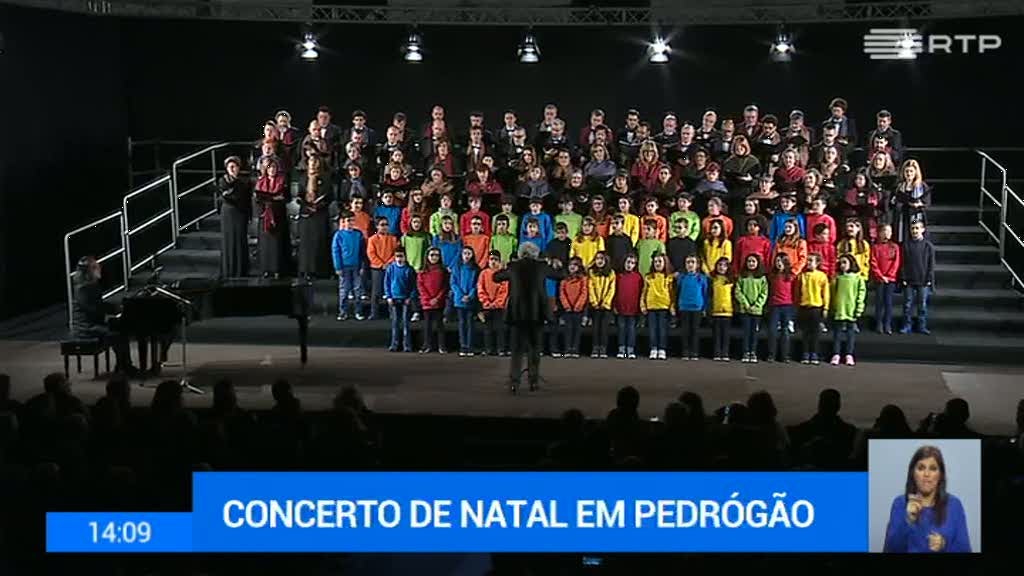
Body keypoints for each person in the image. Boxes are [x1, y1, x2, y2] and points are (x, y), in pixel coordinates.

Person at [493, 242, 564, 393]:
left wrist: (502, 267)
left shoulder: (513, 266)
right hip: (536, 313)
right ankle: (533, 381)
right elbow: (560, 276)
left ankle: (514, 382)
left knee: (517, 350)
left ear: (521, 253)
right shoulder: (542, 266)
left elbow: (496, 277)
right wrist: (557, 265)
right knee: (535, 348)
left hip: (517, 314)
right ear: (535, 253)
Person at [883, 445, 972, 552]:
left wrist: (944, 544)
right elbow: (890, 549)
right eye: (921, 468)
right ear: (913, 473)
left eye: (933, 469)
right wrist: (908, 520)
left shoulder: (954, 505)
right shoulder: (900, 504)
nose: (926, 474)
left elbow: (965, 549)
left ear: (940, 475)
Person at [70, 257, 136, 374]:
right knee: (117, 335)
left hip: (93, 323)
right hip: (86, 328)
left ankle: (124, 365)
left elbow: (98, 305)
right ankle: (123, 366)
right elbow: (92, 308)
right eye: (96, 267)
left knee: (122, 329)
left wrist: (117, 308)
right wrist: (115, 309)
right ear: (89, 270)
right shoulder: (82, 289)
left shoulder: (91, 285)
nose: (99, 269)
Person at [216, 156, 252, 278]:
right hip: (228, 213)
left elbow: (246, 199)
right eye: (229, 167)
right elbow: (225, 196)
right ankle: (229, 269)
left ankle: (241, 270)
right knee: (228, 240)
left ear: (238, 168)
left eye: (234, 166)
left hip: (240, 213)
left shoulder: (244, 182)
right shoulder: (223, 181)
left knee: (240, 240)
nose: (232, 169)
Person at [254, 157, 289, 279]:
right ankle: (266, 269)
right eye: (269, 167)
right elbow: (257, 200)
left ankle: (277, 269)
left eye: (274, 167)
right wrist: (268, 200)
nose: (272, 170)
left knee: (277, 244)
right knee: (265, 244)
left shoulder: (282, 181)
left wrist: (274, 200)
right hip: (265, 217)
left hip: (278, 217)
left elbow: (286, 198)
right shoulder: (260, 182)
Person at [296, 167, 332, 280]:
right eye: (310, 163)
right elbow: (299, 195)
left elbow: (330, 197)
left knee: (319, 242)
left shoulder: (325, 179)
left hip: (320, 215)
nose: (312, 166)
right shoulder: (302, 179)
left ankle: (319, 270)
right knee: (306, 244)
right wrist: (305, 203)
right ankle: (305, 270)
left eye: (315, 163)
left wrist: (319, 205)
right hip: (306, 215)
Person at [831, 254, 866, 366]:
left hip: (851, 309)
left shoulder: (857, 278)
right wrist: (833, 307)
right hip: (839, 309)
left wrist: (859, 308)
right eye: (840, 263)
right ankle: (836, 354)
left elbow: (861, 294)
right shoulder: (837, 278)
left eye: (845, 262)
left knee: (850, 333)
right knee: (837, 333)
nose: (842, 265)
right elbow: (833, 293)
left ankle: (849, 354)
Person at [901, 221, 935, 335]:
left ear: (923, 229)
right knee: (907, 304)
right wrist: (903, 277)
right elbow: (903, 263)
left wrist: (929, 279)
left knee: (922, 305)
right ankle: (907, 325)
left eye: (917, 228)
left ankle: (921, 326)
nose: (915, 231)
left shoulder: (928, 246)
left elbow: (931, 264)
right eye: (913, 228)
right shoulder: (906, 245)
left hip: (923, 280)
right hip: (909, 280)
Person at [332, 211, 366, 321]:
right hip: (344, 267)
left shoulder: (358, 234)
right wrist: (338, 267)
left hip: (356, 266)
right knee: (344, 290)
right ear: (343, 222)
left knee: (358, 290)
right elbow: (336, 252)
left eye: (352, 220)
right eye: (348, 220)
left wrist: (362, 266)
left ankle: (358, 311)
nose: (350, 222)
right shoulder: (339, 235)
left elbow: (362, 252)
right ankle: (343, 312)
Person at [797, 253, 829, 365]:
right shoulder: (802, 275)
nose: (808, 263)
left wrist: (826, 307)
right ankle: (805, 353)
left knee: (815, 332)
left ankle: (814, 353)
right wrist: (798, 304)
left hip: (816, 307)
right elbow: (798, 291)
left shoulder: (822, 276)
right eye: (808, 260)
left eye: (811, 260)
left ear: (817, 263)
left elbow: (825, 293)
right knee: (805, 332)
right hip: (804, 307)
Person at [735, 254, 768, 363]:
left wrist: (757, 305)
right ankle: (745, 352)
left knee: (754, 333)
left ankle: (753, 352)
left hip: (756, 311)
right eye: (749, 261)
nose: (751, 263)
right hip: (745, 310)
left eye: (753, 261)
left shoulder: (762, 278)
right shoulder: (742, 276)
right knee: (746, 332)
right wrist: (746, 304)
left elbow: (764, 293)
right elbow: (738, 291)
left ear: (758, 263)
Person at [417, 247, 450, 354]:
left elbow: (445, 286)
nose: (434, 257)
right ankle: (427, 345)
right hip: (427, 302)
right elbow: (420, 286)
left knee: (440, 325)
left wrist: (437, 298)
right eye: (432, 255)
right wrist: (428, 299)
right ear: (427, 256)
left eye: (437, 255)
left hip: (439, 302)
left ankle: (442, 346)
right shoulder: (422, 271)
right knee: (427, 326)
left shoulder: (443, 271)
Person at [676, 254, 709, 361]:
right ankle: (685, 351)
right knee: (685, 331)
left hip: (697, 308)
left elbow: (705, 293)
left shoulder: (702, 278)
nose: (690, 264)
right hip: (684, 307)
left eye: (692, 262)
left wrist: (704, 308)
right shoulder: (681, 277)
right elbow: (677, 292)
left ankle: (694, 352)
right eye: (688, 262)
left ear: (697, 265)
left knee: (695, 331)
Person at [478, 250, 510, 357]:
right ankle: (489, 349)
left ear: (499, 261)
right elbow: (480, 288)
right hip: (487, 306)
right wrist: (486, 301)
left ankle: (501, 349)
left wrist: (497, 302)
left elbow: (504, 290)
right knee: (488, 329)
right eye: (491, 259)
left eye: (496, 260)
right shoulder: (483, 273)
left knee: (500, 329)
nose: (493, 262)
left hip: (499, 307)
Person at [766, 252, 797, 363]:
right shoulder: (772, 276)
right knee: (772, 330)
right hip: (774, 306)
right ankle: (771, 354)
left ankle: (785, 355)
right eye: (777, 261)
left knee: (785, 330)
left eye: (781, 261)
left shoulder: (791, 276)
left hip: (787, 306)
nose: (779, 263)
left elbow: (795, 291)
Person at [871, 224, 902, 334]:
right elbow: (873, 262)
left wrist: (889, 275)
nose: (886, 233)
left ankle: (887, 324)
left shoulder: (895, 247)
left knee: (888, 302)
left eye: (889, 231)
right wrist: (880, 276)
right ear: (879, 233)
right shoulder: (875, 247)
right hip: (879, 279)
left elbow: (896, 263)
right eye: (884, 231)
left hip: (891, 279)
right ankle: (878, 323)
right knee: (879, 302)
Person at [384, 248, 416, 352]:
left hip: (405, 299)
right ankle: (394, 344)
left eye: (401, 256)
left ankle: (407, 345)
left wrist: (410, 297)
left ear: (405, 257)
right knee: (395, 322)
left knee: (406, 323)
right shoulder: (391, 268)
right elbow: (387, 283)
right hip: (394, 298)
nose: (399, 259)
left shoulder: (409, 269)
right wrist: (388, 296)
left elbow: (413, 285)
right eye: (397, 256)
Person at [642, 252, 673, 360]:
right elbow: (644, 292)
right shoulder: (648, 277)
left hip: (664, 307)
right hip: (651, 307)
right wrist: (643, 305)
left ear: (665, 263)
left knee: (662, 330)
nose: (657, 263)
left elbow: (672, 293)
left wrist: (672, 306)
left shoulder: (669, 277)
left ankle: (662, 349)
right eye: (655, 261)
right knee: (652, 330)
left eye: (660, 261)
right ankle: (653, 348)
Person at [367, 217, 399, 320]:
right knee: (376, 292)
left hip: (390, 268)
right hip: (377, 268)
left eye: (386, 224)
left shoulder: (393, 239)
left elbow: (396, 253)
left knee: (392, 291)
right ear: (377, 226)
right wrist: (381, 264)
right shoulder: (372, 239)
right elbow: (371, 254)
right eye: (382, 225)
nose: (385, 227)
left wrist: (388, 263)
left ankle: (393, 313)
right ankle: (374, 313)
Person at [894, 159, 932, 243]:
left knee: (915, 234)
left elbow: (927, 202)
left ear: (915, 172)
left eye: (911, 171)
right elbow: (896, 201)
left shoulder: (922, 186)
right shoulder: (900, 186)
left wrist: (919, 204)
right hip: (904, 217)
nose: (909, 174)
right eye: (907, 171)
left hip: (916, 216)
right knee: (904, 236)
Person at [557, 256, 588, 359]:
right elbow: (562, 294)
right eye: (570, 265)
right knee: (568, 330)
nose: (572, 267)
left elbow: (584, 293)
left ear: (579, 267)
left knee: (577, 330)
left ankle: (575, 349)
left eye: (575, 265)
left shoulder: (583, 279)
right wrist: (566, 305)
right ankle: (567, 349)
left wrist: (578, 305)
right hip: (568, 309)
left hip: (578, 310)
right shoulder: (564, 280)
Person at [452, 246, 480, 357]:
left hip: (471, 300)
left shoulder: (476, 269)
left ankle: (470, 346)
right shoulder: (457, 267)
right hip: (459, 300)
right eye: (465, 253)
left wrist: (470, 295)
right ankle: (463, 345)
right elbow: (453, 283)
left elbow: (477, 284)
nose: (467, 256)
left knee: (470, 324)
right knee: (462, 323)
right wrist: (461, 295)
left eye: (469, 253)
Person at [587, 251, 616, 359]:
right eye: (597, 258)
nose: (599, 261)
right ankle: (595, 348)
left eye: (601, 259)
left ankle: (603, 348)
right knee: (595, 328)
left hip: (606, 306)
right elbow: (590, 287)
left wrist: (606, 302)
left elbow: (612, 289)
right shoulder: (591, 272)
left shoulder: (611, 273)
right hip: (595, 305)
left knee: (604, 328)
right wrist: (594, 302)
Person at [614, 253, 642, 360]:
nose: (629, 265)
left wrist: (639, 308)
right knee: (621, 329)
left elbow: (640, 293)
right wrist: (615, 305)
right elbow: (615, 292)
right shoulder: (619, 276)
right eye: (628, 262)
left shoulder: (638, 277)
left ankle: (630, 349)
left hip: (633, 308)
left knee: (631, 330)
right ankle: (621, 349)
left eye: (632, 263)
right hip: (621, 308)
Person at [709, 257, 735, 361]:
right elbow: (710, 295)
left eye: (724, 265)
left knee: (726, 334)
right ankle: (716, 353)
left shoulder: (731, 281)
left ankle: (725, 353)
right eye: (720, 265)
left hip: (727, 312)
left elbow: (733, 296)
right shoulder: (713, 279)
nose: (722, 267)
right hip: (716, 311)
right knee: (717, 334)